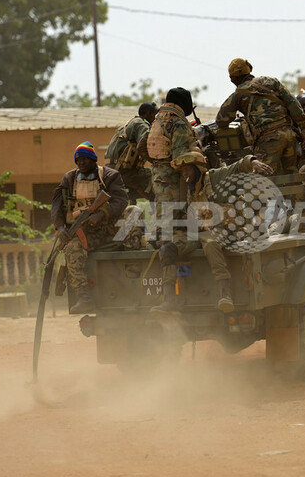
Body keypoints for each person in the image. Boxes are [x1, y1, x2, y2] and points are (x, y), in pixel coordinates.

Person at [51, 141, 142, 314]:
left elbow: (121, 201)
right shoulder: (69, 179)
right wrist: (61, 227)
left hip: (111, 227)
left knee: (134, 212)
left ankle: (131, 259)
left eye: (85, 159)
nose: (82, 162)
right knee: (72, 250)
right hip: (85, 232)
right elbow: (56, 205)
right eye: (78, 159)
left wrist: (102, 214)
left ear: (93, 160)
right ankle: (84, 298)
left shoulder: (109, 175)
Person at [179, 152, 274, 313]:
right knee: (176, 245)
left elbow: (237, 166)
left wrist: (252, 162)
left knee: (211, 243)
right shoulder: (190, 190)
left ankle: (225, 292)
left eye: (188, 170)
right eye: (183, 171)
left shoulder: (215, 178)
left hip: (229, 230)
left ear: (198, 169)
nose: (185, 174)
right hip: (203, 231)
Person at [138, 87, 203, 315]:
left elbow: (141, 147)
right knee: (173, 235)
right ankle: (170, 298)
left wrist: (158, 166)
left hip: (158, 180)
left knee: (165, 228)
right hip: (174, 184)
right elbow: (180, 158)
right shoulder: (178, 123)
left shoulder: (157, 120)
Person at [215, 58, 305, 175]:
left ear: (234, 78)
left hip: (269, 139)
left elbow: (221, 121)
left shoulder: (238, 95)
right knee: (291, 175)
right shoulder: (271, 82)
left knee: (261, 177)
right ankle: (297, 193)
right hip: (290, 135)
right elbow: (293, 103)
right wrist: (303, 128)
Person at [105, 102, 158, 202]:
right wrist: (157, 162)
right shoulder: (141, 124)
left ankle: (137, 203)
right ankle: (160, 209)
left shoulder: (128, 124)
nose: (156, 119)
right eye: (155, 115)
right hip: (123, 171)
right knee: (157, 176)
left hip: (111, 170)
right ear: (147, 114)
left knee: (141, 177)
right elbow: (143, 145)